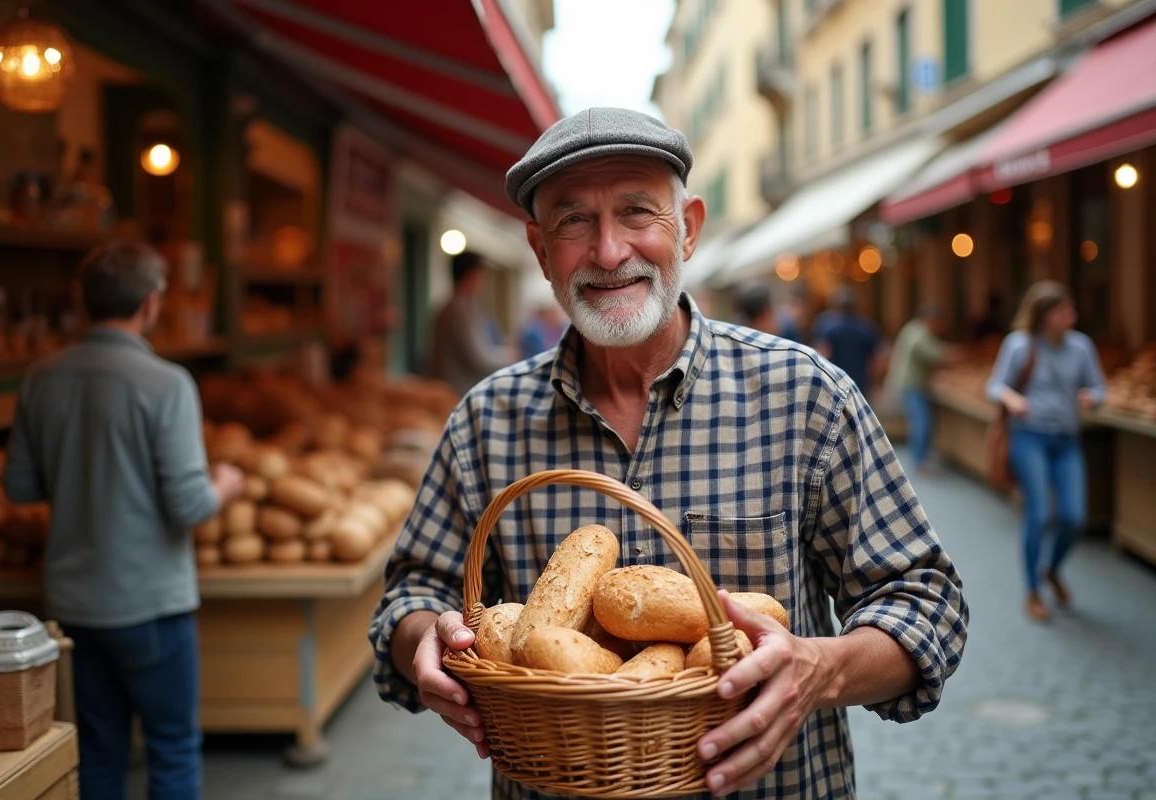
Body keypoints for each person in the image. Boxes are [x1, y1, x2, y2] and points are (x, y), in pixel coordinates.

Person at [369, 108, 967, 800]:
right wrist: (426, 647)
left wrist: (818, 667)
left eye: (636, 212)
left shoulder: (806, 397)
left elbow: (925, 602)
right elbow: (412, 595)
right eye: (573, 221)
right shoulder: (485, 421)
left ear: (688, 226)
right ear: (539, 250)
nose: (609, 251)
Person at [1, 240, 244, 800]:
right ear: (154, 303)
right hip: (150, 604)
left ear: (80, 300)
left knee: (99, 753)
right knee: (173, 749)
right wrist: (225, 486)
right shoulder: (166, 383)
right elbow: (189, 505)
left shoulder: (41, 378)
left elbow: (17, 488)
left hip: (72, 606)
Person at [986, 281, 1105, 623]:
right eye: (1063, 311)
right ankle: (1033, 591)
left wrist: (1092, 398)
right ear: (1044, 315)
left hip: (1066, 441)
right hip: (1029, 438)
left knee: (1073, 516)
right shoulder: (1020, 345)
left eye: (1072, 310)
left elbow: (1099, 386)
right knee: (1038, 515)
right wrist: (1012, 399)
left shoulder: (1081, 347)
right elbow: (996, 385)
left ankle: (1051, 568)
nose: (1071, 317)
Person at [429, 250, 516, 396]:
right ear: (471, 275)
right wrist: (508, 355)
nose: (483, 282)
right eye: (481, 276)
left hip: (453, 391)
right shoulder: (459, 310)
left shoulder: (455, 307)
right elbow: (478, 358)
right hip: (457, 393)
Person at [887, 305, 950, 473]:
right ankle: (920, 460)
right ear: (932, 320)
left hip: (909, 382)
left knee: (919, 420)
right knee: (921, 421)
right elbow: (936, 355)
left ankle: (921, 457)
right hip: (912, 384)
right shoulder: (920, 333)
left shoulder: (911, 328)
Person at [811, 286, 884, 396]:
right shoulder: (866, 326)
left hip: (834, 381)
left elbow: (820, 354)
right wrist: (875, 382)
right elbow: (877, 359)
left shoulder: (825, 325)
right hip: (859, 383)